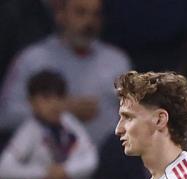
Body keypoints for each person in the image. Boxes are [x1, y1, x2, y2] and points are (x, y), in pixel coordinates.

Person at [0, 0, 130, 147]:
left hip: (108, 158)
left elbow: (135, 116)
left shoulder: (117, 61)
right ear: (60, 15)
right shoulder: (32, 60)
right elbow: (5, 115)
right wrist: (58, 110)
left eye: (96, 15)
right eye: (80, 12)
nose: (89, 22)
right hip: (45, 163)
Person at [0, 69, 97, 179]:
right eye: (46, 98)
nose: (54, 104)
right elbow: (4, 169)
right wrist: (43, 173)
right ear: (31, 102)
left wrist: (66, 171)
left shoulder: (70, 125)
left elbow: (90, 159)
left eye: (59, 98)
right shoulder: (29, 130)